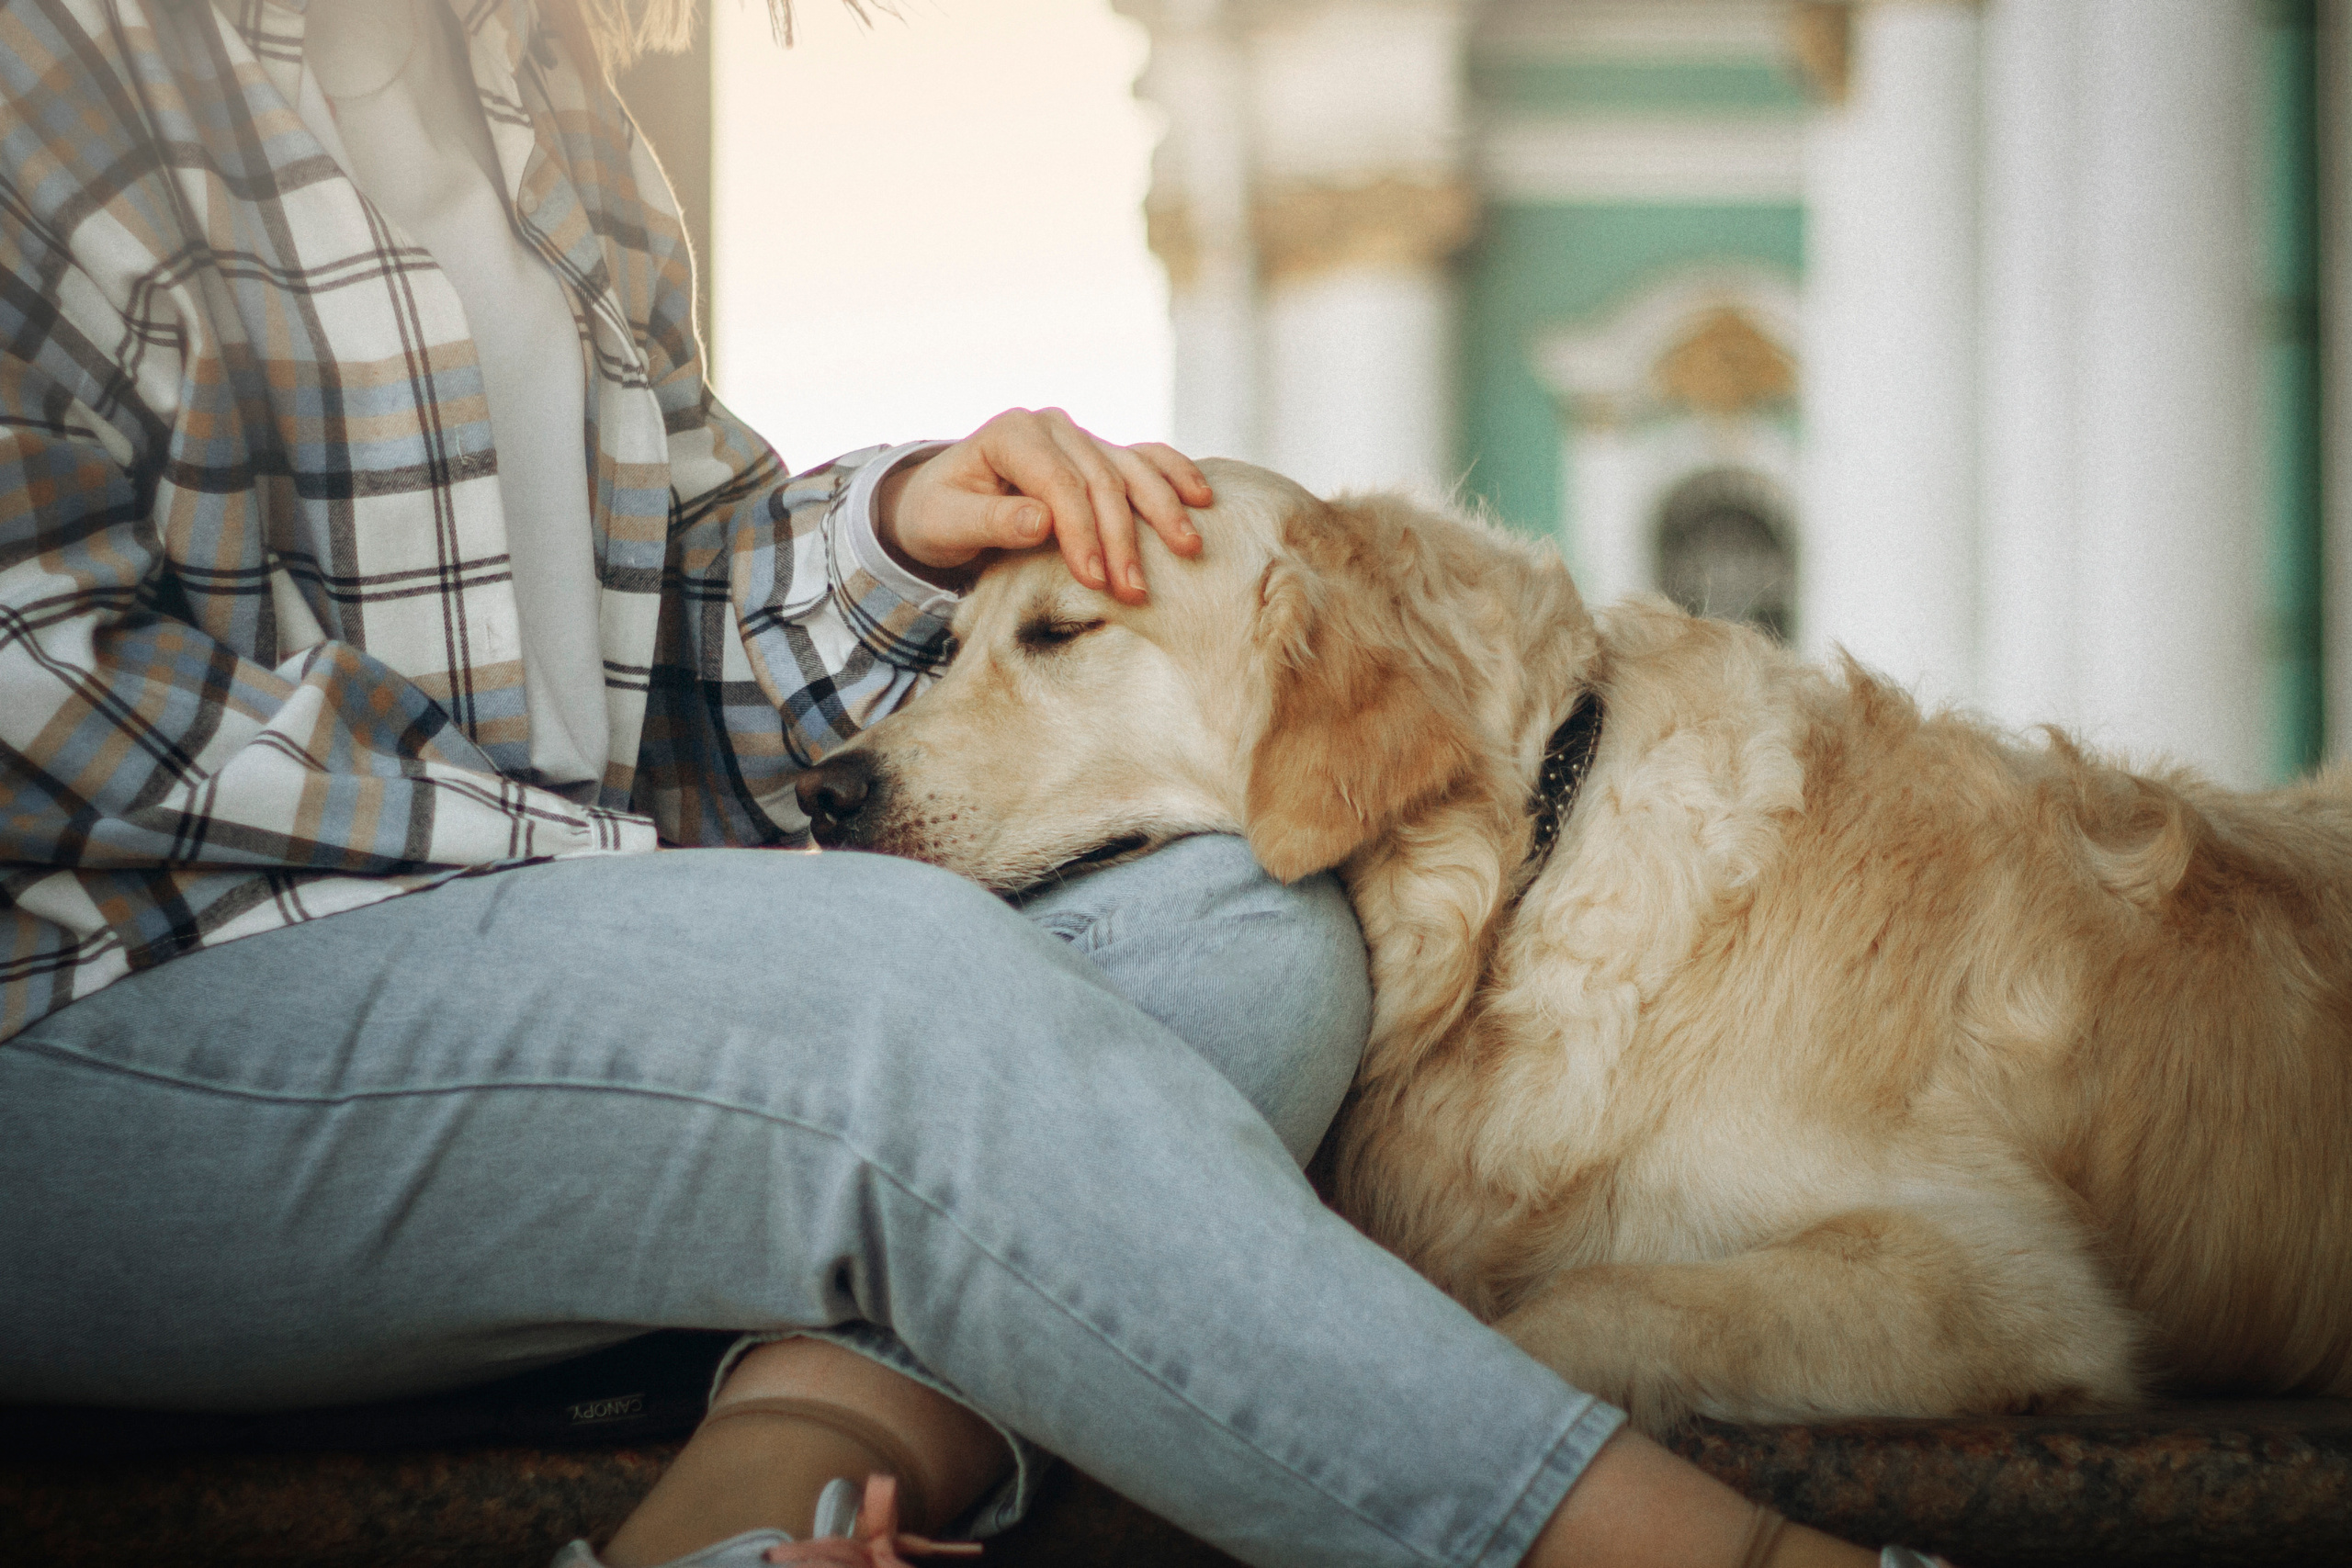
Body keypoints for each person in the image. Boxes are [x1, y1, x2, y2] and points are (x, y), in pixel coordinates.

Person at [0, 3, 1939, 1565]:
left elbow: (661, 610)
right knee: (891, 983)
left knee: (1244, 930)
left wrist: (903, 532)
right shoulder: (54, 61)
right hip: (107, 1047)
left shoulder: (546, 101)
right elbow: (41, 678)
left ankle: (763, 1484)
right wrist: (625, 889)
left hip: (532, 1034)